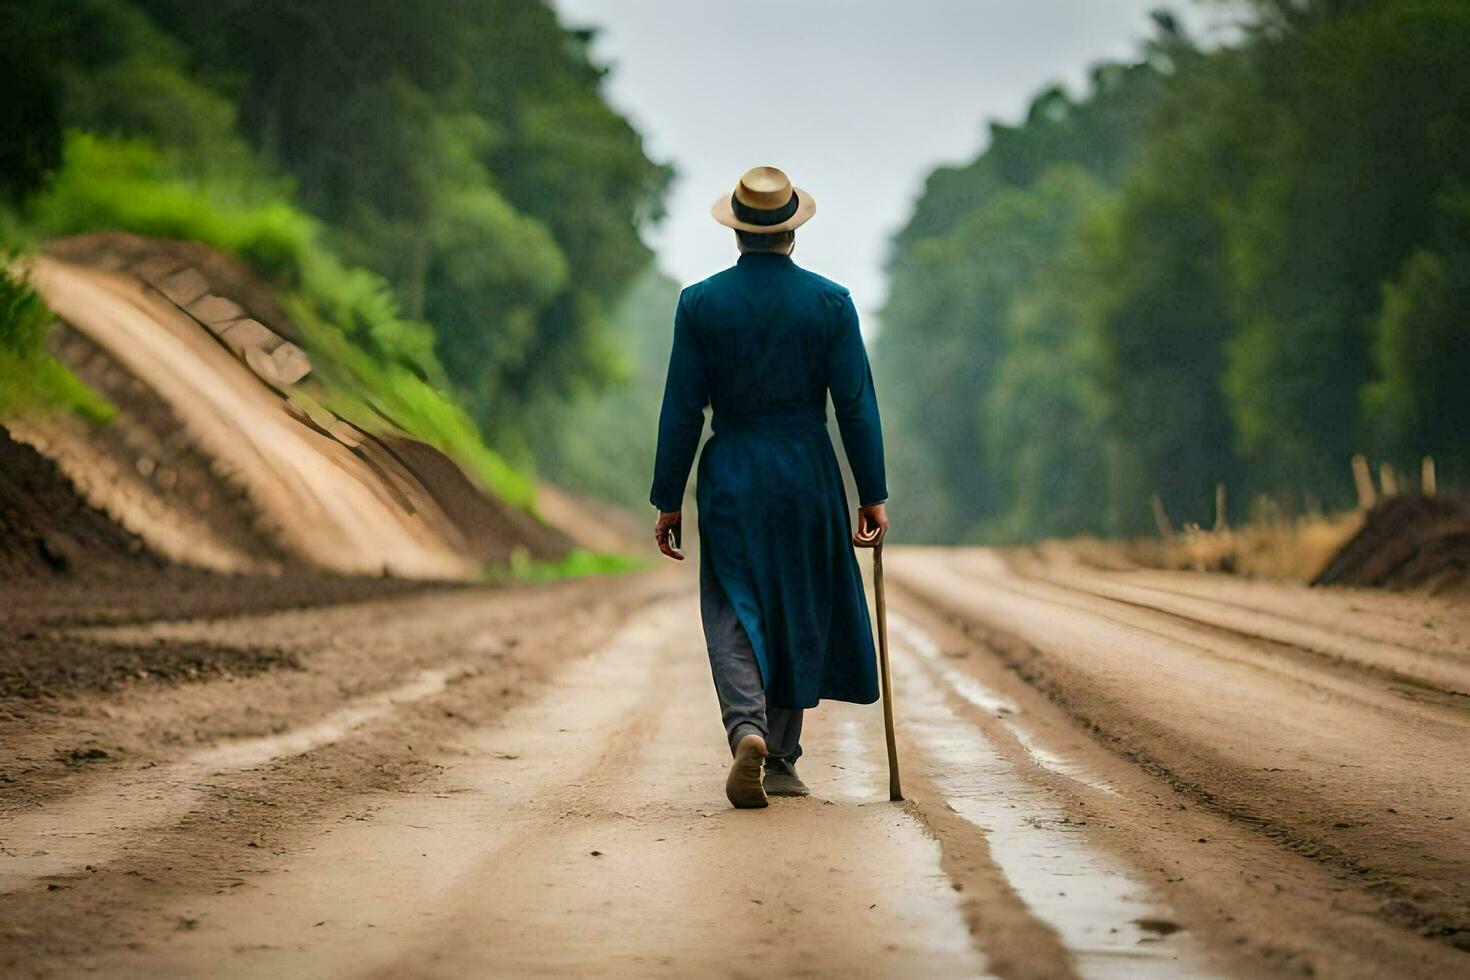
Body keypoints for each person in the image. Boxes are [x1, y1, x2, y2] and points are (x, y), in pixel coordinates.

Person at [650, 165, 889, 809]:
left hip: (731, 472)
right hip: (808, 473)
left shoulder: (699, 303)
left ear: (737, 234)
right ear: (791, 233)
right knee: (795, 606)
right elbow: (855, 406)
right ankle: (780, 757)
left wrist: (668, 497)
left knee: (733, 607)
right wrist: (872, 491)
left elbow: (681, 409)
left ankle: (747, 729)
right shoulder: (830, 303)